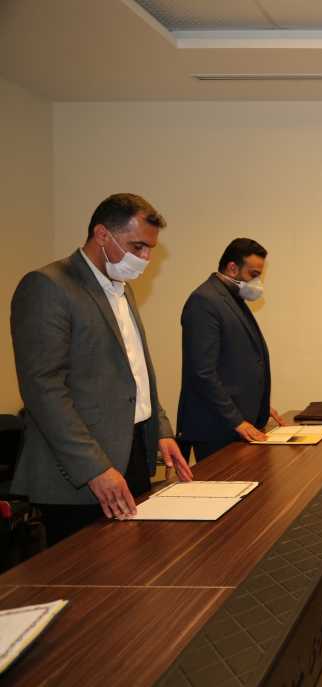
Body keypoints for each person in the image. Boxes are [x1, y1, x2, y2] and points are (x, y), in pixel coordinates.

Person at [10, 193, 193, 545]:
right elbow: (44, 389)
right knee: (90, 575)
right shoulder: (48, 286)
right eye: (137, 247)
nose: (145, 258)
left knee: (136, 566)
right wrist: (94, 467)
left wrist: (160, 429)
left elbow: (135, 371)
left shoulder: (121, 288)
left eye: (150, 249)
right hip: (80, 475)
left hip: (131, 455)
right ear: (102, 234)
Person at [177, 238, 282, 460]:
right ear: (232, 268)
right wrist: (237, 420)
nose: (257, 282)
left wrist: (260, 405)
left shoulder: (231, 298)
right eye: (253, 274)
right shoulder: (204, 301)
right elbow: (203, 372)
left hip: (239, 423)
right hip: (219, 427)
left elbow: (237, 362)